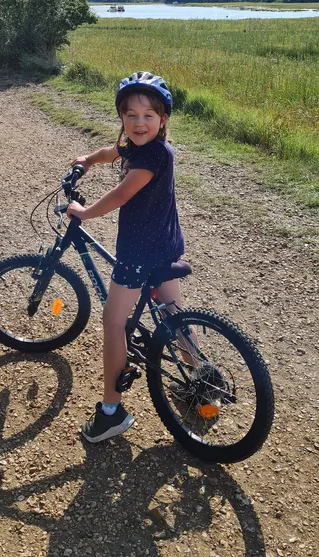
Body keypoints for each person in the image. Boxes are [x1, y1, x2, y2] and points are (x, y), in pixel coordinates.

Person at [67, 71, 190, 443]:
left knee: (113, 322)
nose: (139, 123)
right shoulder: (141, 146)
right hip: (166, 242)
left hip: (138, 249)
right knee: (172, 313)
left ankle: (111, 411)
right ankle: (199, 373)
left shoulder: (152, 156)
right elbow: (113, 151)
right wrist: (88, 159)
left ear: (163, 119)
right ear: (121, 117)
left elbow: (122, 194)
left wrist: (84, 213)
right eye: (130, 115)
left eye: (148, 116)